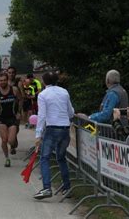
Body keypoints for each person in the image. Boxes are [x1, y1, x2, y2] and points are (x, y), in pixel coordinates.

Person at [33, 72, 75, 200]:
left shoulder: (43, 95)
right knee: (61, 158)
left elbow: (42, 116)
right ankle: (67, 187)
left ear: (44, 81)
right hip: (65, 129)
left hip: (52, 128)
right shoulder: (64, 92)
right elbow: (71, 112)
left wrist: (38, 134)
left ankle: (47, 188)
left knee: (44, 158)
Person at [0, 73, 22, 167]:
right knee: (4, 140)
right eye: (1, 80)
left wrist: (19, 112)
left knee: (10, 141)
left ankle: (14, 140)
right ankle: (7, 158)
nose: (2, 82)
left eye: (4, 80)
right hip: (2, 118)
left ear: (7, 80)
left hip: (12, 118)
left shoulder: (14, 90)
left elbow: (20, 99)